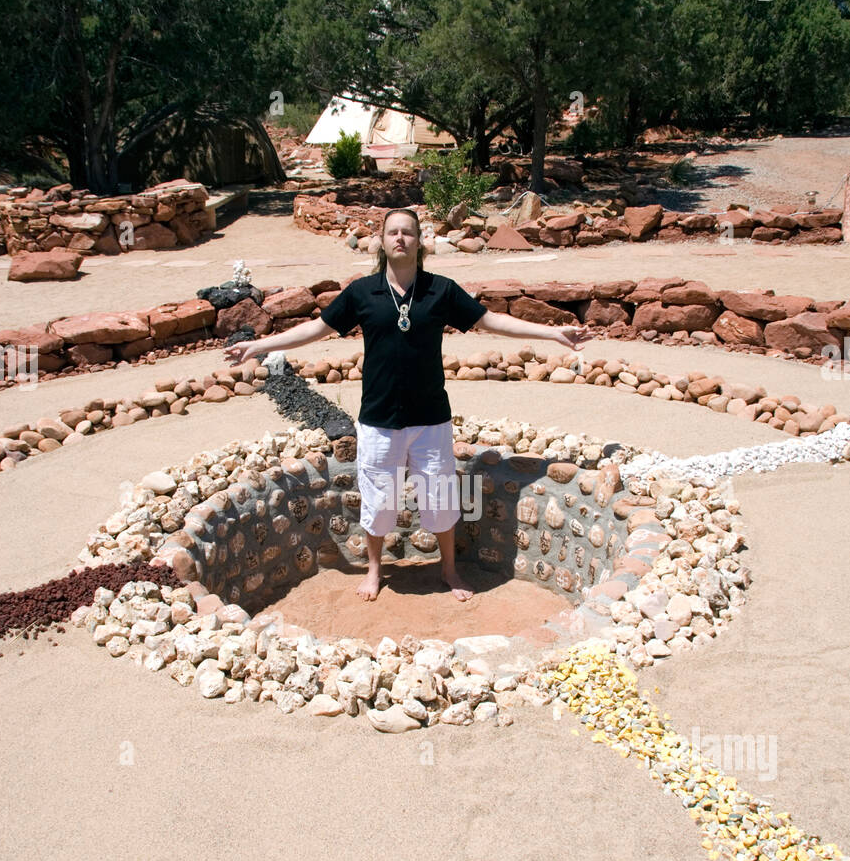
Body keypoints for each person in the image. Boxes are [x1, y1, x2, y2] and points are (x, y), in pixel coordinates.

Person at [224, 208, 592, 602]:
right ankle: (374, 570)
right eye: (393, 232)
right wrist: (260, 345)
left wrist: (553, 333)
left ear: (420, 242)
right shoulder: (362, 292)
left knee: (441, 502)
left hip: (430, 418)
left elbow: (490, 321)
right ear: (381, 241)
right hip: (379, 420)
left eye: (408, 233)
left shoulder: (441, 290)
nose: (400, 238)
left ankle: (448, 569)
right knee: (379, 502)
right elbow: (317, 329)